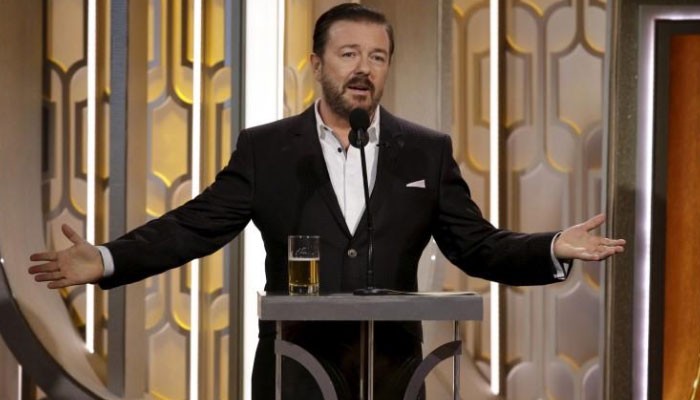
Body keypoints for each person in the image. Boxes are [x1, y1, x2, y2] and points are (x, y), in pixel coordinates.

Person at [28, 3, 625, 399]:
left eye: (377, 57)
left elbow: (477, 245)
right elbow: (194, 226)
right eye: (348, 54)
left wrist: (552, 246)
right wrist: (106, 258)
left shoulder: (425, 152)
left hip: (393, 373)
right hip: (294, 370)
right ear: (317, 64)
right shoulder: (267, 150)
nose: (364, 69)